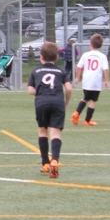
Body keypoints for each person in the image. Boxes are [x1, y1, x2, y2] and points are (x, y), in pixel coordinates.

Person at [27, 41, 72, 179]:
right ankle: (55, 161)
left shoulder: (36, 71)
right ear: (57, 57)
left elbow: (30, 90)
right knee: (55, 133)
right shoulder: (61, 71)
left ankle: (45, 163)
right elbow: (69, 88)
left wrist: (42, 92)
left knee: (42, 131)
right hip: (58, 102)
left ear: (41, 56)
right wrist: (65, 102)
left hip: (41, 103)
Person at [73, 33, 110, 126]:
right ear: (101, 45)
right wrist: (107, 81)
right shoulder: (102, 56)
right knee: (92, 101)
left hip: (86, 80)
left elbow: (78, 67)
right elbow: (106, 69)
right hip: (95, 82)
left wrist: (77, 77)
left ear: (90, 44)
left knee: (85, 98)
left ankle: (77, 112)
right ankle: (87, 121)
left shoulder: (85, 55)